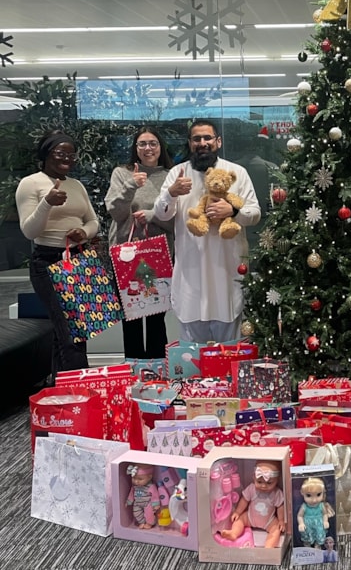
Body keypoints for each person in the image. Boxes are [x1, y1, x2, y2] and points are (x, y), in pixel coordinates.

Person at [152, 119, 260, 343]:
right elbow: (161, 214)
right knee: (193, 358)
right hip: (191, 274)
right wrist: (171, 193)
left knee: (229, 352)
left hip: (227, 271)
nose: (202, 143)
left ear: (218, 141)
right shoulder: (177, 173)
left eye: (207, 138)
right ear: (190, 143)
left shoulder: (236, 172)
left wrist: (232, 211)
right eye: (197, 139)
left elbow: (255, 214)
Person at [15, 130, 100, 380]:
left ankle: (61, 389)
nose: (68, 159)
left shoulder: (76, 184)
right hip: (49, 261)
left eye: (71, 154)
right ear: (46, 154)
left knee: (77, 331)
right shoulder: (30, 183)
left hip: (79, 258)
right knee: (70, 331)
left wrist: (83, 231)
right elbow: (29, 231)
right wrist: (47, 203)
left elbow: (93, 220)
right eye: (61, 153)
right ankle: (82, 390)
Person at [104, 127, 174, 359]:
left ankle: (157, 370)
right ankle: (134, 370)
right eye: (142, 144)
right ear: (135, 148)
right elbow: (115, 211)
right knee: (131, 318)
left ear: (160, 146)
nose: (148, 148)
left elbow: (176, 222)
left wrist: (152, 215)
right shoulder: (122, 173)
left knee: (156, 318)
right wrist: (131, 185)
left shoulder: (170, 176)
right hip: (126, 255)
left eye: (152, 143)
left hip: (159, 255)